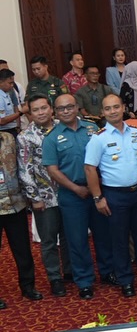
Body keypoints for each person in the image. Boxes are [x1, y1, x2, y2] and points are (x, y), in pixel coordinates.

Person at [84, 94, 137, 298]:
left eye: (116, 107)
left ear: (123, 108)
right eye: (108, 108)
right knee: (119, 240)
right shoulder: (98, 138)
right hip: (114, 195)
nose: (112, 111)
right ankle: (126, 279)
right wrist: (97, 198)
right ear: (102, 112)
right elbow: (89, 169)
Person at [42, 94, 114, 299]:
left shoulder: (92, 128)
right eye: (61, 108)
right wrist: (76, 188)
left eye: (69, 107)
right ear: (55, 112)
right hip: (71, 195)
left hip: (97, 191)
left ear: (76, 107)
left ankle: (108, 272)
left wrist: (97, 187)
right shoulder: (51, 137)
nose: (66, 111)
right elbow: (52, 170)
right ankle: (84, 281)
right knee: (77, 240)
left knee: (104, 235)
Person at [16, 95, 69, 297]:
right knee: (49, 240)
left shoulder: (63, 127)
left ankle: (70, 271)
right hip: (44, 196)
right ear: (30, 113)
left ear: (51, 108)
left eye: (44, 108)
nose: (41, 113)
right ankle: (55, 278)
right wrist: (34, 198)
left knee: (69, 235)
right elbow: (24, 170)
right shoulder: (25, 136)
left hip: (68, 191)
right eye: (36, 110)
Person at [0, 131, 43, 303]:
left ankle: (28, 287)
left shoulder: (9, 138)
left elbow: (22, 166)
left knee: (23, 249)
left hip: (15, 203)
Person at [0, 70, 23, 137]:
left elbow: (14, 108)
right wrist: (21, 112)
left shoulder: (6, 93)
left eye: (13, 83)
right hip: (4, 132)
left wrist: (18, 126)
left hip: (12, 129)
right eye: (10, 83)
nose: (12, 85)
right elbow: (2, 121)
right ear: (1, 82)